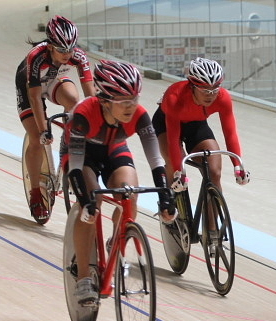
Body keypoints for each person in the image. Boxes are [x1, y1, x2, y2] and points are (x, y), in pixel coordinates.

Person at [66, 60, 175, 305]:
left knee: (130, 195)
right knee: (91, 202)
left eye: (134, 99)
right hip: (82, 156)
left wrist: (166, 198)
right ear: (104, 100)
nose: (131, 106)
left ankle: (115, 240)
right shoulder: (83, 114)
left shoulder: (140, 115)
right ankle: (84, 278)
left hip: (114, 150)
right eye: (124, 101)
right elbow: (74, 166)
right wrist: (85, 202)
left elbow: (156, 160)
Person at [16, 15, 96, 222]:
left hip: (53, 79)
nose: (67, 54)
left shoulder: (78, 55)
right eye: (61, 49)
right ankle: (35, 191)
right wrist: (44, 130)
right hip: (30, 88)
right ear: (50, 46)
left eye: (70, 49)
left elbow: (91, 94)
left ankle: (66, 138)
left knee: (74, 99)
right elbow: (34, 97)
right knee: (35, 138)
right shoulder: (36, 56)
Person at [152, 57, 249, 196]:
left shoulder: (223, 97)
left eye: (214, 89)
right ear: (192, 86)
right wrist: (179, 171)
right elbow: (173, 140)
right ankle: (169, 203)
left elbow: (230, 133)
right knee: (175, 164)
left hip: (196, 124)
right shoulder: (175, 97)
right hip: (167, 123)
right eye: (204, 90)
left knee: (214, 172)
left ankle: (212, 217)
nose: (210, 95)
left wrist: (238, 165)